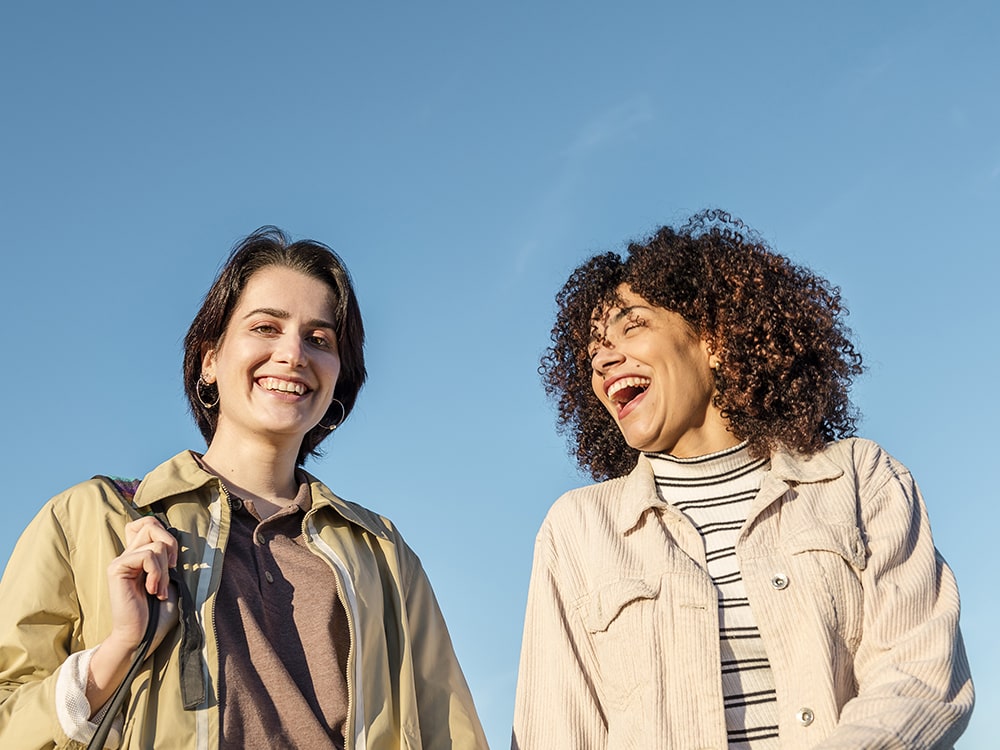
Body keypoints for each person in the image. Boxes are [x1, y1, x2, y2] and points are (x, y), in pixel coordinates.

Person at [0, 227, 489, 749]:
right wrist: (119, 649)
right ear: (209, 359)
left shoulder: (382, 553)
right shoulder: (88, 518)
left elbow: (449, 733)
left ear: (338, 379)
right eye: (265, 327)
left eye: (319, 340)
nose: (293, 354)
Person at [512, 210, 973, 749]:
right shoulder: (576, 531)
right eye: (592, 351)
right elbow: (556, 732)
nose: (603, 358)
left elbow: (919, 677)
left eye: (630, 326)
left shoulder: (860, 479)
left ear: (714, 339)